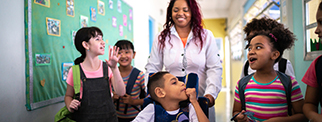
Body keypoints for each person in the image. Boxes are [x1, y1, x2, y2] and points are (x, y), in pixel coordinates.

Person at [144, 0, 222, 121]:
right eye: (176, 10)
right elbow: (152, 68)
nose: (180, 13)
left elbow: (214, 68)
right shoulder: (161, 38)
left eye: (186, 10)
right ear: (170, 13)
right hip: (170, 104)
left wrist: (210, 95)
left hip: (200, 100)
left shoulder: (206, 36)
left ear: (193, 12)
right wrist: (151, 92)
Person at [232, 22, 307, 121]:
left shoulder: (290, 83)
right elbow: (236, 111)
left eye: (258, 47)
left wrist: (279, 120)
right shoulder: (242, 84)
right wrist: (239, 117)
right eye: (249, 48)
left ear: (274, 55)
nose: (251, 51)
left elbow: (302, 115)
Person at [64, 27, 125, 121]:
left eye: (102, 38)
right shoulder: (75, 71)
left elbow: (121, 92)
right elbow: (68, 96)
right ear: (86, 45)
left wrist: (114, 68)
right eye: (97, 39)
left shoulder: (108, 67)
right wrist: (69, 105)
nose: (103, 42)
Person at [132, 71, 209, 122]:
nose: (182, 83)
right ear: (160, 92)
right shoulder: (152, 109)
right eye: (174, 82)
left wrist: (195, 102)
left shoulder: (189, 108)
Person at [113, 40, 145, 122]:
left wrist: (134, 101)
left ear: (133, 54)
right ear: (115, 54)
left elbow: (150, 98)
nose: (123, 56)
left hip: (136, 118)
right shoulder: (111, 74)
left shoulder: (140, 75)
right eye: (119, 52)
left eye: (127, 52)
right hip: (114, 118)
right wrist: (112, 98)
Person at [303, 1, 322, 121]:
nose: (316, 30)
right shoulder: (318, 65)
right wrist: (317, 118)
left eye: (321, 23)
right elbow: (309, 104)